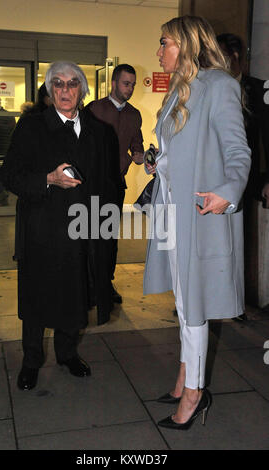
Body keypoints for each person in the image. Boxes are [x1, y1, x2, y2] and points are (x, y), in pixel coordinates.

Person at [143, 15, 251, 430]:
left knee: (193, 307)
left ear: (187, 44)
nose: (159, 51)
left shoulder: (220, 85)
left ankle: (194, 394)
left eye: (165, 42)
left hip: (202, 213)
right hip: (173, 211)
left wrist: (229, 189)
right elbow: (179, 147)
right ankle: (186, 376)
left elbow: (237, 151)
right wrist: (160, 162)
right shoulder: (177, 91)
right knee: (184, 303)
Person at [0, 61, 121, 391]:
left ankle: (67, 354)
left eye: (72, 84)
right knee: (37, 298)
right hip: (42, 230)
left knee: (75, 294)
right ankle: (31, 360)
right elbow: (9, 175)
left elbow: (105, 184)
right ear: (49, 90)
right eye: (58, 84)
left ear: (82, 89)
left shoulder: (99, 133)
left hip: (82, 230)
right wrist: (48, 180)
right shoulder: (32, 127)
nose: (65, 90)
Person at [217, 33, 269, 313]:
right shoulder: (209, 87)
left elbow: (266, 136)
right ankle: (208, 297)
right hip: (212, 178)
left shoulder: (257, 90)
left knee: (239, 242)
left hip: (245, 180)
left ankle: (236, 302)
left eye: (221, 55)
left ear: (235, 57)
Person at [89, 64, 144, 303]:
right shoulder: (94, 109)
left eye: (132, 84)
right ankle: (88, 283)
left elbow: (137, 144)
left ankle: (105, 283)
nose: (130, 88)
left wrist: (140, 155)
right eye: (126, 83)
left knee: (109, 237)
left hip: (115, 185)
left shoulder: (134, 114)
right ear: (113, 83)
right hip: (91, 184)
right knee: (90, 234)